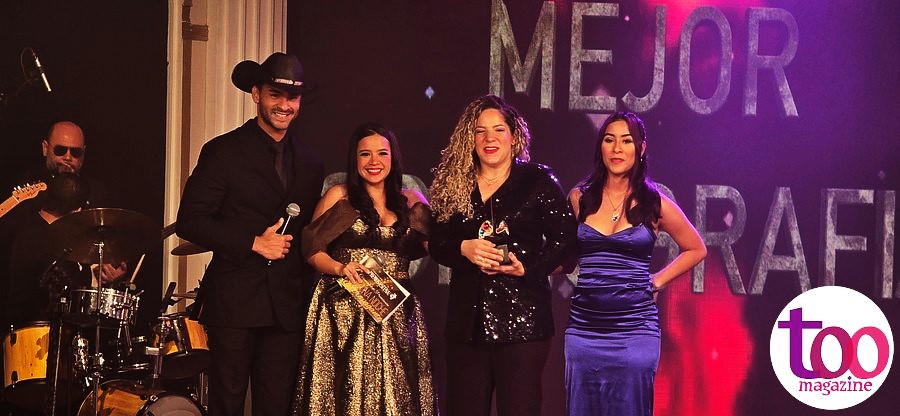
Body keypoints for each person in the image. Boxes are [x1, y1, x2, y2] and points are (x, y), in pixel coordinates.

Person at [175, 52, 324, 416]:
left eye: (292, 97)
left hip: (286, 306)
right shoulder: (223, 151)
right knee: (227, 403)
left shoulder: (311, 161)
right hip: (235, 302)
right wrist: (253, 242)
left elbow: (307, 232)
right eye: (275, 94)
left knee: (276, 406)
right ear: (256, 94)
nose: (284, 105)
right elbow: (190, 221)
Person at [429, 94, 577, 416]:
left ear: (514, 137)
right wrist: (463, 247)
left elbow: (566, 240)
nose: (489, 138)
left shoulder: (537, 180)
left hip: (524, 323)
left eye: (498, 130)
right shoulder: (456, 183)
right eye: (480, 131)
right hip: (466, 326)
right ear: (470, 139)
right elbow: (437, 241)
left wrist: (529, 267)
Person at [565, 112, 706, 416]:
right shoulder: (579, 198)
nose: (617, 149)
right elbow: (565, 256)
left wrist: (657, 280)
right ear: (601, 147)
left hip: (635, 329)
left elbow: (696, 248)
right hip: (584, 330)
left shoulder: (655, 203)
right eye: (609, 140)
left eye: (626, 141)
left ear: (641, 149)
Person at [291, 122, 437, 416]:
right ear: (354, 159)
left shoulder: (410, 200)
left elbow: (436, 247)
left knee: (400, 396)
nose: (374, 161)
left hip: (397, 313)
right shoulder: (339, 195)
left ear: (393, 157)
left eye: (382, 153)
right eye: (365, 154)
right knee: (342, 393)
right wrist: (339, 267)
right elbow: (311, 250)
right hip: (343, 311)